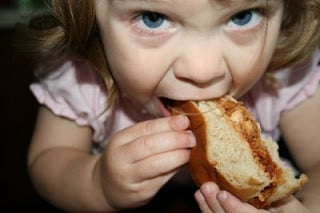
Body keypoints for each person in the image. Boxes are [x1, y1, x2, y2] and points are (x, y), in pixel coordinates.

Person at [26, 0, 320, 212]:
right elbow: (48, 159)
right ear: (90, 15)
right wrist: (97, 183)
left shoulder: (283, 73)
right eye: (152, 18)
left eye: (243, 16)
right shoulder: (83, 77)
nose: (203, 69)